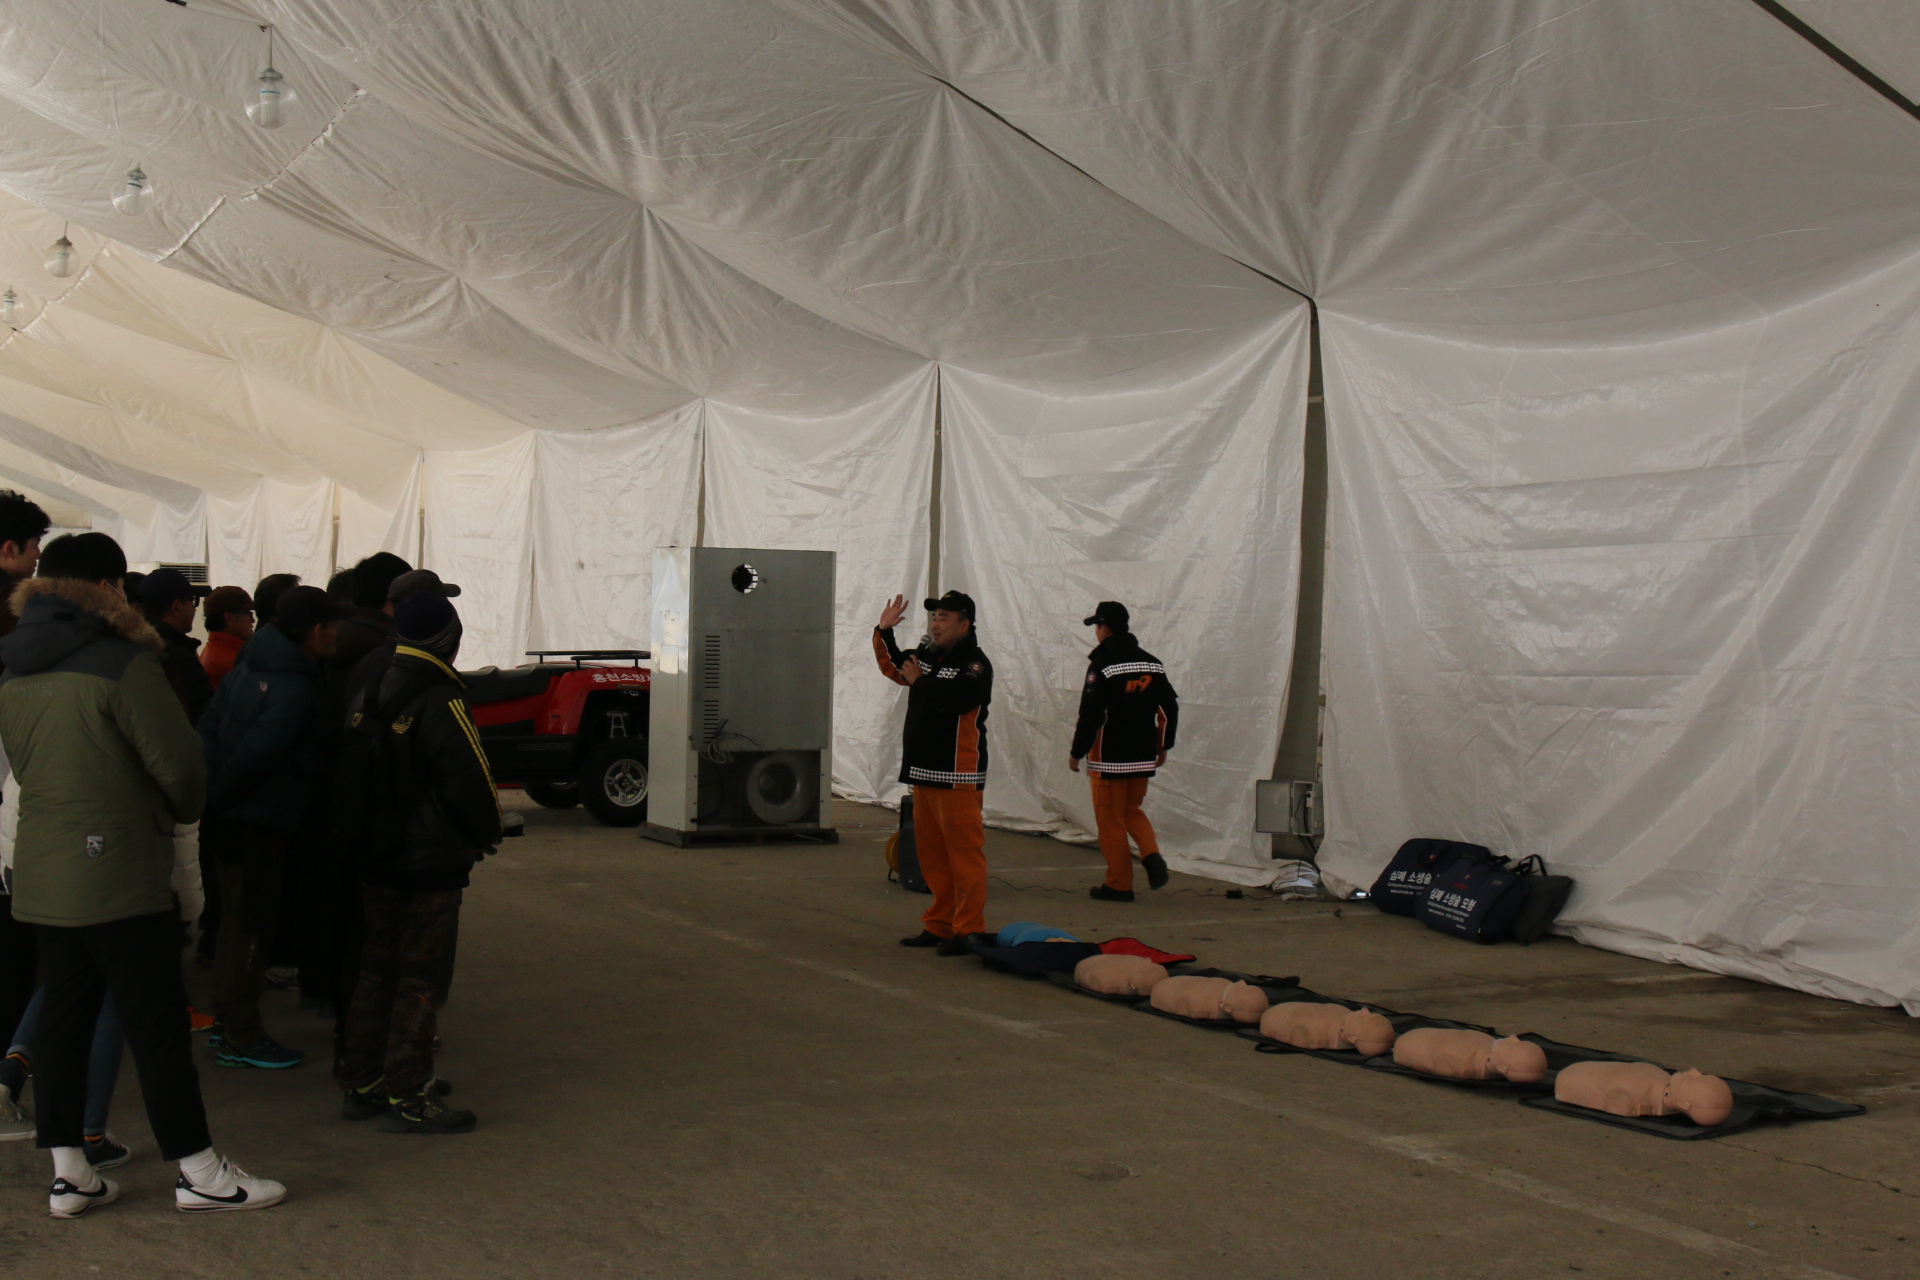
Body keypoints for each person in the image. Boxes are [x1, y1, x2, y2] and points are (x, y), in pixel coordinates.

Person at [0, 531, 283, 1217]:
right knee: (155, 1023)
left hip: (43, 869)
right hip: (121, 871)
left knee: (63, 1019)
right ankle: (199, 1171)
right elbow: (181, 769)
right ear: (107, 588)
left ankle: (70, 1174)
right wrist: (174, 812)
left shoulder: (14, 666)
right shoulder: (124, 662)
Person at [334, 591, 498, 1134]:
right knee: (422, 979)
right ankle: (409, 1093)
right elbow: (470, 781)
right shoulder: (441, 698)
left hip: (374, 854)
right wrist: (485, 834)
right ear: (449, 640)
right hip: (427, 864)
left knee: (377, 970)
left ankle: (362, 1080)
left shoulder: (371, 682)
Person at [196, 586, 339, 1070]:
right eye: (333, 627)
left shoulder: (251, 664)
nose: (337, 636)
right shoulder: (295, 685)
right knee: (251, 930)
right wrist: (224, 796)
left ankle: (226, 1022)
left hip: (229, 818)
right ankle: (242, 1032)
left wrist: (211, 794)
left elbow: (208, 727)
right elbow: (259, 755)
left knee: (233, 922)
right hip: (256, 822)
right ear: (316, 630)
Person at [872, 590, 994, 956]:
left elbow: (958, 701)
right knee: (933, 858)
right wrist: (884, 630)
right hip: (924, 772)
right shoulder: (926, 657)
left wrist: (920, 681)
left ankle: (968, 930)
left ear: (964, 624)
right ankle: (939, 925)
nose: (936, 624)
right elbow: (895, 667)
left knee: (964, 857)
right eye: (934, 617)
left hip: (957, 775)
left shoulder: (975, 663)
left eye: (944, 617)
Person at [1069, 601, 1179, 902]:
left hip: (1109, 757)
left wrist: (1077, 751)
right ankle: (1151, 854)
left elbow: (1091, 715)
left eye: (1096, 627)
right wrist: (1163, 745)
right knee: (1132, 811)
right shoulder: (1152, 664)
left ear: (1104, 628)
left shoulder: (1102, 665)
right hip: (1142, 754)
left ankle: (1119, 885)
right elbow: (1168, 710)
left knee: (1110, 821)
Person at [0, 490, 49, 1071]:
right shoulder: (18, 621)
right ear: (9, 549)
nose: (38, 559)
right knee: (12, 946)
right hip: (11, 794)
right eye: (34, 547)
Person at [137, 569, 215, 723]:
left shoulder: (130, 648)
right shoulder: (180, 659)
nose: (194, 608)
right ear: (176, 607)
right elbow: (202, 720)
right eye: (193, 600)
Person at [198, 587, 254, 691]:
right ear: (229, 618)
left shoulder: (214, 651)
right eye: (249, 614)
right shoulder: (233, 661)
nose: (253, 620)